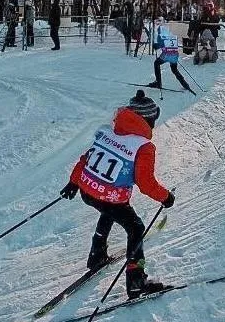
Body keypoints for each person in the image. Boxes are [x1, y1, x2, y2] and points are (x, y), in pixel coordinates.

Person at [60, 91, 175, 299]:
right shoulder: (144, 147)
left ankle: (97, 255)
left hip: (87, 190)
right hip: (110, 197)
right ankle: (137, 282)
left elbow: (87, 158)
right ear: (147, 120)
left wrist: (73, 182)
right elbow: (146, 183)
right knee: (136, 227)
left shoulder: (108, 132)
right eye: (153, 121)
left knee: (109, 210)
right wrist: (165, 197)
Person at [148, 20, 196, 95]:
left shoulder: (161, 36)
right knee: (174, 70)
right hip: (175, 55)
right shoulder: (171, 36)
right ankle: (185, 84)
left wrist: (155, 45)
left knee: (156, 63)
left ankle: (158, 82)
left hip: (167, 55)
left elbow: (159, 45)